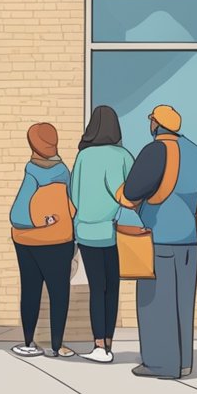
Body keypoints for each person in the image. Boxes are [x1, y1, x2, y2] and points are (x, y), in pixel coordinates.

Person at [118, 105, 197, 379]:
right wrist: (192, 229)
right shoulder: (196, 151)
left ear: (155, 124)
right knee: (183, 303)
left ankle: (160, 364)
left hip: (159, 240)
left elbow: (131, 194)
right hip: (189, 243)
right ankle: (183, 362)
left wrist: (119, 193)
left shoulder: (156, 150)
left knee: (155, 304)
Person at [69, 105, 134, 363]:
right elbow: (130, 194)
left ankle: (98, 345)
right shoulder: (123, 156)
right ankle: (108, 341)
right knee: (112, 288)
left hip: (85, 231)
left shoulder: (83, 157)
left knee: (97, 288)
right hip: (113, 231)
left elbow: (74, 196)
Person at [9, 123, 77, 359]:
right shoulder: (64, 172)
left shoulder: (32, 172)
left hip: (29, 241)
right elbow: (72, 207)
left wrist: (41, 221)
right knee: (60, 292)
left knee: (31, 290)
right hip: (60, 239)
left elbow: (17, 215)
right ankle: (58, 345)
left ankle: (29, 342)